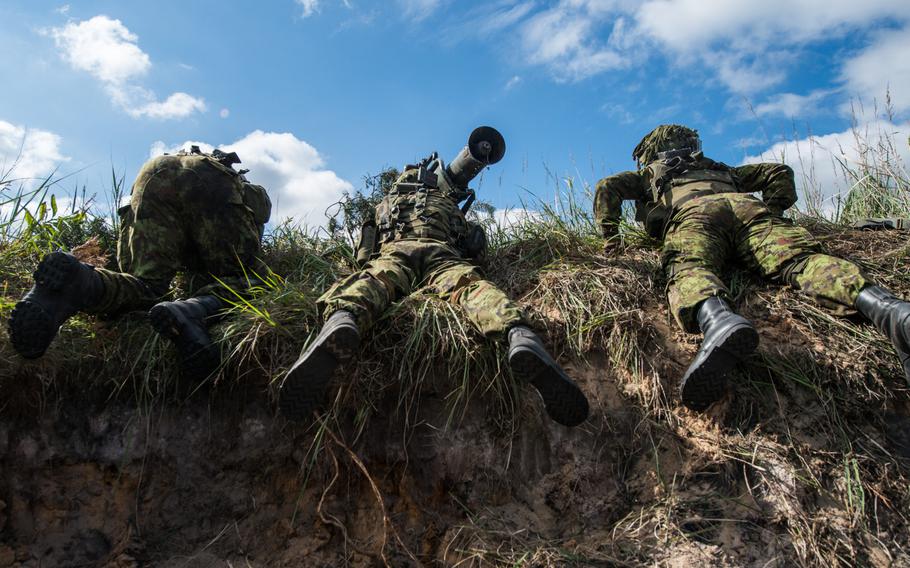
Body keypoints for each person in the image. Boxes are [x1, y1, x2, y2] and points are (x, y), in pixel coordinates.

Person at [279, 127, 590, 427]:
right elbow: (475, 253)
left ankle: (344, 320)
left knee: (375, 280)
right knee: (471, 287)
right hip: (441, 254)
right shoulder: (445, 204)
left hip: (397, 252)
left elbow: (363, 257)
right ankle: (518, 335)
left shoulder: (385, 205)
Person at [594, 124, 910, 410]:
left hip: (694, 216)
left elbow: (608, 186)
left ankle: (717, 321)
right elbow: (778, 172)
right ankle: (890, 310)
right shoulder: (719, 168)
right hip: (749, 209)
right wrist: (771, 212)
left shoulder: (650, 174)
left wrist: (611, 238)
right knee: (803, 261)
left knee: (688, 268)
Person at [9, 146, 272, 378]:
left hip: (153, 173)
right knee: (251, 279)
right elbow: (246, 233)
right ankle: (192, 312)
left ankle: (82, 282)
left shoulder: (176, 163)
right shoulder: (246, 187)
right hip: (210, 181)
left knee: (145, 286)